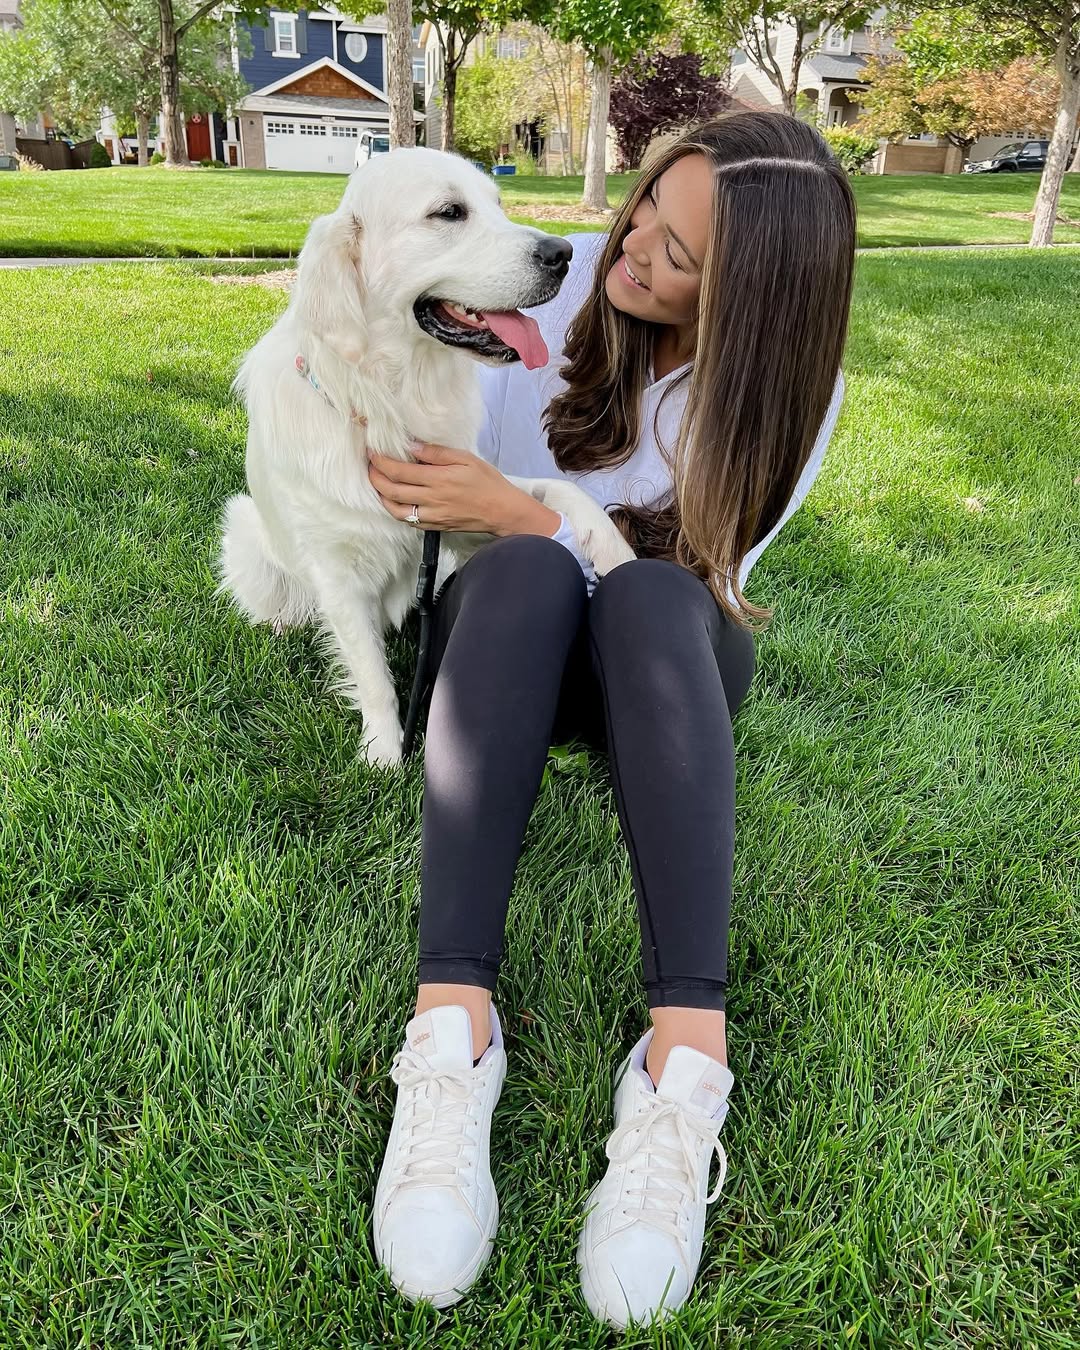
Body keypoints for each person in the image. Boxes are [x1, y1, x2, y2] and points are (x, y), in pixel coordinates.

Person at [365, 110, 856, 1327]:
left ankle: (684, 1071)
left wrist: (529, 512)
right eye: (647, 206)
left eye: (683, 256)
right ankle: (449, 1038)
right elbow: (438, 505)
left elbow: (699, 572)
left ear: (759, 301)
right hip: (504, 645)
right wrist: (521, 526)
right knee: (531, 575)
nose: (633, 247)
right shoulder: (533, 281)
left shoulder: (794, 388)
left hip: (660, 659)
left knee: (639, 588)